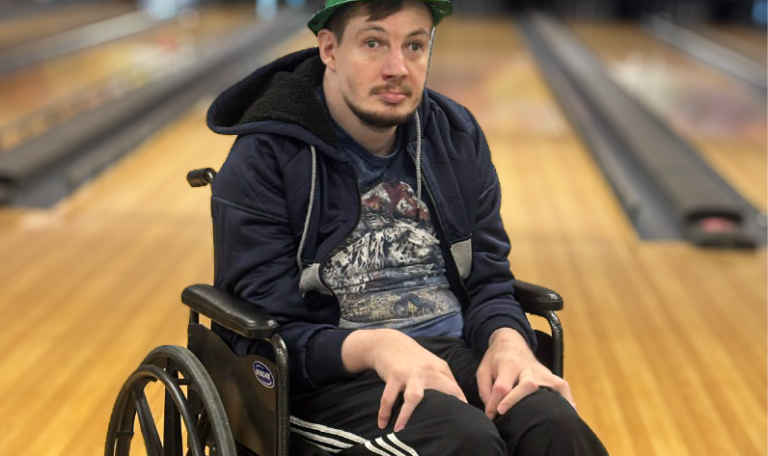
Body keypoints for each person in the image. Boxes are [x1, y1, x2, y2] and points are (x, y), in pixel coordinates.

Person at [206, 1, 609, 454]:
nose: (397, 67)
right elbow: (264, 335)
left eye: (414, 45)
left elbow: (489, 281)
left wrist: (508, 342)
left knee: (555, 424)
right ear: (330, 49)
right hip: (326, 384)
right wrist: (378, 346)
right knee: (464, 439)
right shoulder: (264, 158)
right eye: (374, 42)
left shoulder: (454, 134)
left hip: (451, 357)